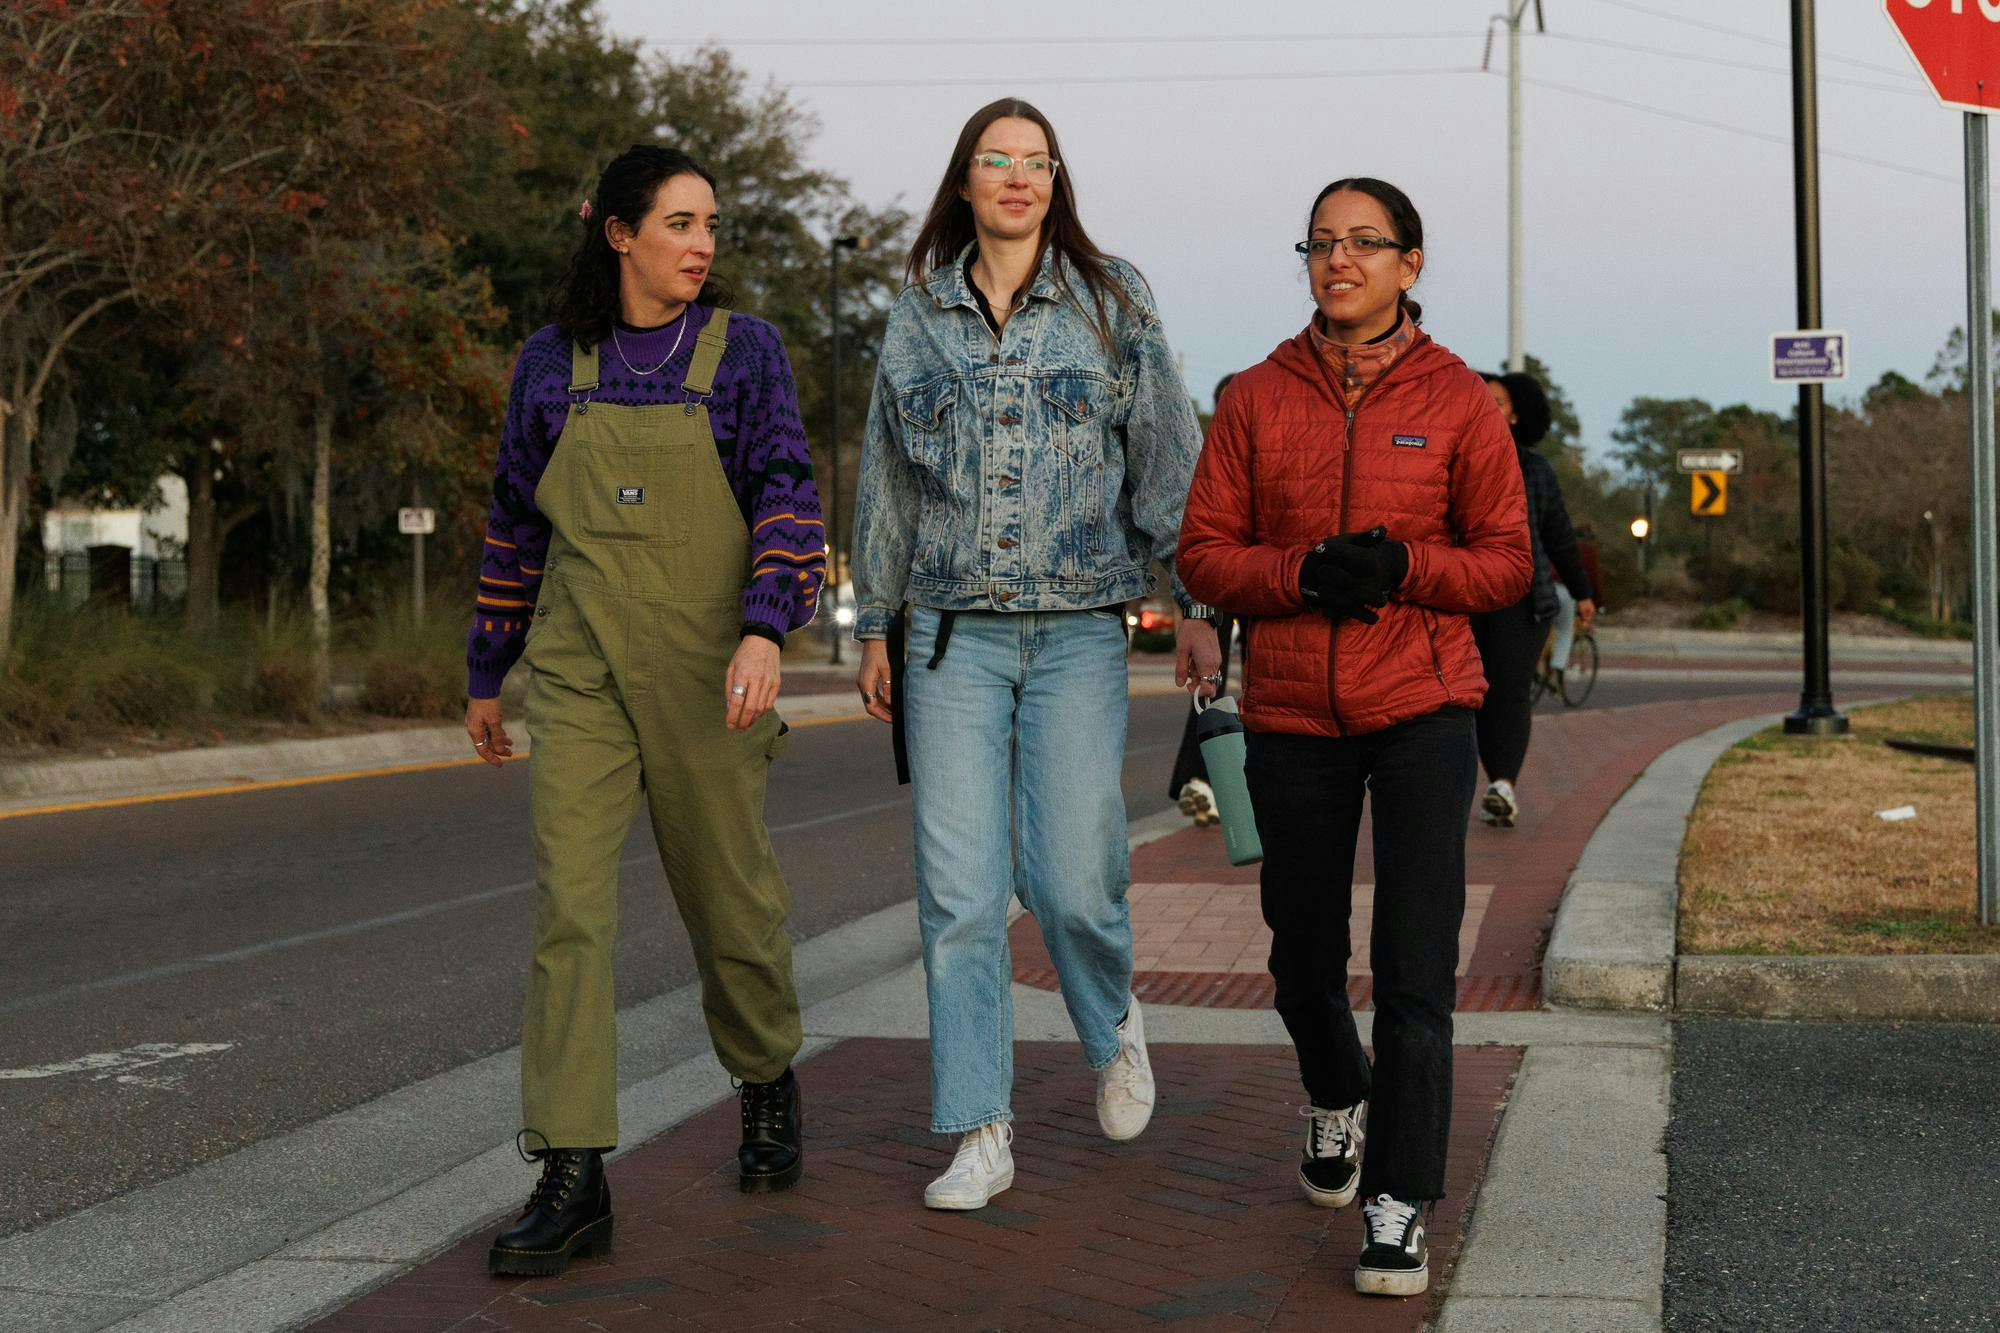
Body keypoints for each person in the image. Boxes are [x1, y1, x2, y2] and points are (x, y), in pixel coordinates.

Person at [849, 97, 1217, 1212]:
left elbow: (1167, 460)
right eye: (994, 160)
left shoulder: (1112, 301)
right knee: (957, 895)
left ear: (1055, 184)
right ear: (962, 182)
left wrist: (1194, 598)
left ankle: (1111, 1026)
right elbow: (886, 481)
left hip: (1073, 634)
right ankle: (978, 1127)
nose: (1017, 177)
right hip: (949, 635)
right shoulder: (914, 316)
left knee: (1071, 880)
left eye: (1037, 162)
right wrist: (876, 622)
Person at [464, 145, 825, 1276]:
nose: (702, 243)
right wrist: (487, 668)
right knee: (570, 912)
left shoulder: (744, 352)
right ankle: (572, 1169)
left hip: (708, 666)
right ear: (617, 232)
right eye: (679, 223)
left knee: (728, 901)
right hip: (576, 666)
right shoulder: (548, 363)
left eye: (710, 223)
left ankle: (764, 1073)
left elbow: (785, 494)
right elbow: (516, 523)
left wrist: (768, 625)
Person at [1178, 177, 1530, 1297]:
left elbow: (1506, 561)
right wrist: (1291, 574)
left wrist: (1406, 567)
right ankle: (1335, 1091)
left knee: (1415, 967)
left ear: (1409, 264)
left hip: (1424, 708)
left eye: (1363, 243)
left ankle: (1396, 1201)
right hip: (1289, 712)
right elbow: (1201, 551)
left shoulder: (1462, 399)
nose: (1338, 260)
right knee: (1297, 956)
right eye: (1320, 243)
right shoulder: (1253, 395)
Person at [1469, 371, 1595, 826]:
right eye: (1478, 400)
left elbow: (1559, 536)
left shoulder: (1536, 470)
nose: (1487, 408)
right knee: (1459, 698)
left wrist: (1583, 594)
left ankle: (1502, 785)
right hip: (1459, 596)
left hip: (1523, 599)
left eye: (1497, 402)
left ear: (1516, 415)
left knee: (1506, 692)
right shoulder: (1444, 460)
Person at [1169, 372, 1242, 826]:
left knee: (1234, 687)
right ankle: (1206, 782)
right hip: (1222, 576)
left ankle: (1205, 782)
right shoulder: (1203, 454)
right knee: (1213, 684)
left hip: (1260, 575)